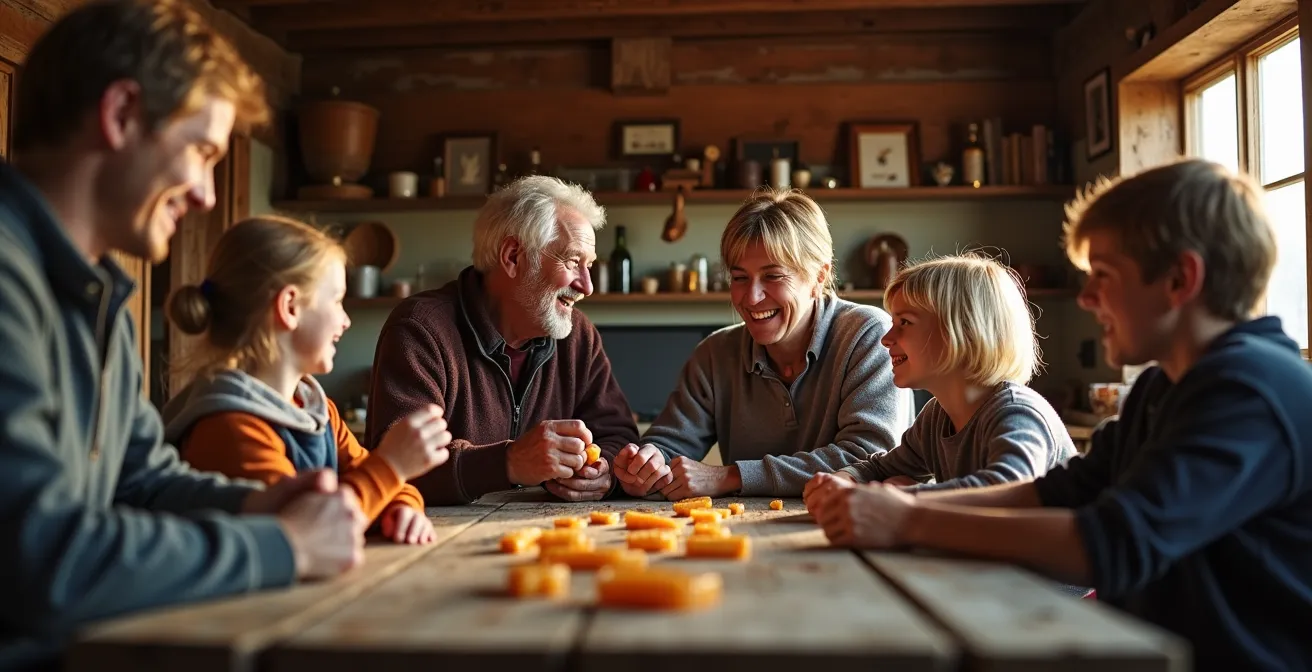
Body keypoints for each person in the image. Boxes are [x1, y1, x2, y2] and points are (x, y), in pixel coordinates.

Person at [805, 159, 1312, 671]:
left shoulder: (1252, 391)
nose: (1087, 297)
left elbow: (1113, 542)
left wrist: (908, 518)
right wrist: (894, 509)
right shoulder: (1165, 385)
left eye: (1104, 276)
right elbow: (1059, 491)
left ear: (1180, 279)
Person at [0, 1, 365, 667]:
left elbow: (144, 479)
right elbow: (38, 559)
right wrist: (284, 547)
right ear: (120, 116)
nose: (204, 193)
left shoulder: (96, 290)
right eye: (201, 152)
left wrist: (260, 501)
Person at [161, 216, 453, 544]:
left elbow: (383, 485)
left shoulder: (317, 410)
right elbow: (306, 528)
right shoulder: (229, 427)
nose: (345, 321)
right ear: (289, 307)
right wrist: (392, 465)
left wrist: (402, 508)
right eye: (336, 300)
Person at [612, 189, 912, 500]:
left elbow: (870, 457)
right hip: (745, 531)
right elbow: (669, 444)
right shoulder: (715, 353)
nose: (752, 298)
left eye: (773, 276)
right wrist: (646, 465)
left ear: (819, 277)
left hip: (850, 530)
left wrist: (731, 476)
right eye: (740, 278)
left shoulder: (869, 334)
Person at [366, 175, 640, 504]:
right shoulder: (421, 329)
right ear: (512, 257)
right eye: (572, 262)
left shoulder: (578, 336)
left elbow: (619, 437)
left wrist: (604, 473)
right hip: (434, 539)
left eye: (590, 266)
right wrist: (508, 464)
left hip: (548, 535)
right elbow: (392, 466)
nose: (587, 286)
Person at [802, 253, 1075, 502]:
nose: (886, 339)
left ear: (964, 333)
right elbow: (880, 467)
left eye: (904, 323)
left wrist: (904, 498)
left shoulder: (1016, 412)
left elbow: (1007, 489)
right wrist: (844, 479)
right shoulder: (937, 417)